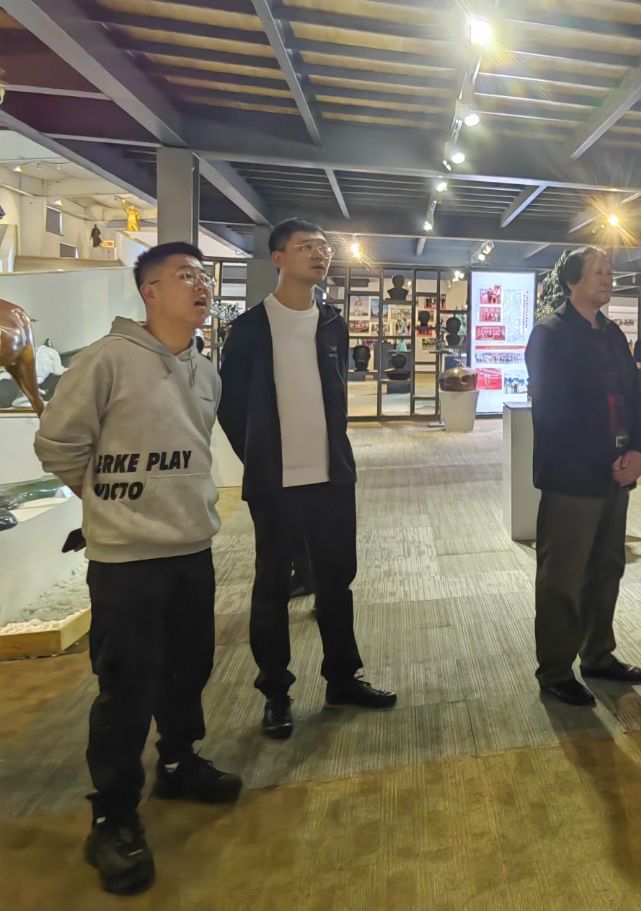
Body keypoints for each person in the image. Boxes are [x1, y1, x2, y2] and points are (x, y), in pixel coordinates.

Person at [34, 242, 241, 897]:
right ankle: (113, 814)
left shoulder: (205, 370)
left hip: (191, 548)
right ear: (149, 291)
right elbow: (58, 444)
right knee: (126, 684)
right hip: (126, 560)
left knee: (188, 666)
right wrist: (106, 502)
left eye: (203, 276)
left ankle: (178, 762)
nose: (200, 285)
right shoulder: (106, 360)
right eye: (184, 275)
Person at [218, 219, 396, 742]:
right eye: (306, 247)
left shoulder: (332, 321)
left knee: (337, 580)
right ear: (278, 258)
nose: (320, 254)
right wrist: (258, 458)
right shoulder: (249, 329)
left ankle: (342, 678)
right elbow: (231, 408)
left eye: (323, 247)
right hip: (275, 482)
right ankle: (276, 692)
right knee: (273, 587)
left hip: (331, 476)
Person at [526, 247, 641, 707]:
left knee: (606, 569)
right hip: (573, 476)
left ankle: (598, 654)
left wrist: (638, 450)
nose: (607, 277)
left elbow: (634, 397)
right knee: (562, 578)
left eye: (610, 271)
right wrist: (606, 457)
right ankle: (555, 671)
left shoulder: (612, 334)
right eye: (598, 272)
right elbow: (554, 413)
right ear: (572, 282)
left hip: (615, 474)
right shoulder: (550, 334)